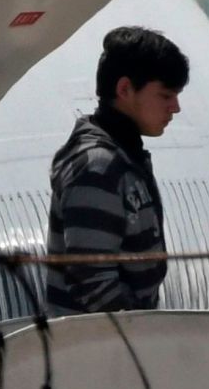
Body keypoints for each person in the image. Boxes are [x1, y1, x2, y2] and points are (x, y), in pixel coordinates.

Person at [46, 26, 187, 315]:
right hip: (97, 351)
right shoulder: (98, 167)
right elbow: (91, 281)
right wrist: (139, 342)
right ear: (124, 89)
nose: (176, 107)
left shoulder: (123, 160)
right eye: (165, 95)